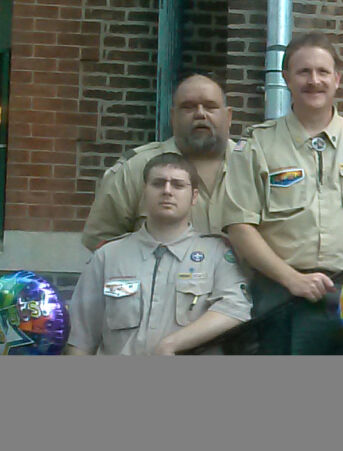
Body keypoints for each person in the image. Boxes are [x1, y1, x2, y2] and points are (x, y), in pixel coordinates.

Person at [214, 33, 343, 353]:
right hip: (283, 297)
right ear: (286, 78)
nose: (314, 81)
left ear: (337, 79)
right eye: (303, 72)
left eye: (323, 72)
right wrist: (291, 279)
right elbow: (240, 227)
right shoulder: (257, 145)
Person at [65, 152, 251, 354]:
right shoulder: (108, 256)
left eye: (178, 185)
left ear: (194, 197)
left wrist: (172, 344)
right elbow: (80, 340)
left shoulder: (216, 254)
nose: (167, 191)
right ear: (144, 192)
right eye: (158, 183)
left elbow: (236, 308)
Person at [81, 74, 241, 250]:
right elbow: (100, 240)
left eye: (210, 107)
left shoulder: (254, 166)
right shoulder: (136, 168)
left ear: (229, 116)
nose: (200, 114)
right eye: (188, 107)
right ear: (173, 117)